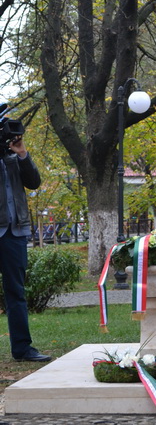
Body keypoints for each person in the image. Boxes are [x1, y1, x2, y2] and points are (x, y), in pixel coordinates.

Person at [0, 133, 52, 362]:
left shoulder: (14, 158)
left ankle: (22, 349)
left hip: (15, 233)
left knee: (16, 293)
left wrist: (22, 153)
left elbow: (34, 183)